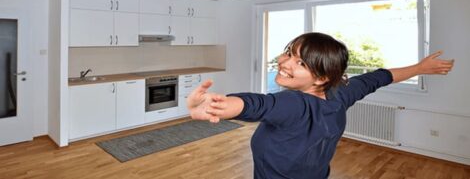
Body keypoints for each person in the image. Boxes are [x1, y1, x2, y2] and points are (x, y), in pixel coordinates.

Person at [187, 32, 454, 179]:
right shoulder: (341, 93)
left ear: (322, 77)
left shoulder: (294, 103)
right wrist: (420, 68)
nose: (283, 61)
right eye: (290, 53)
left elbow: (259, 105)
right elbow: (380, 77)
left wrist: (217, 105)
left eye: (301, 63)